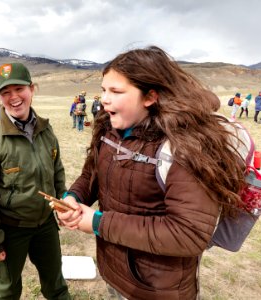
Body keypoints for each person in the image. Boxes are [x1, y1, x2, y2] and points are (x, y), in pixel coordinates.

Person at [56, 46, 246, 299]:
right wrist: (74, 198)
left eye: (116, 91)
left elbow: (189, 233)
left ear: (150, 97)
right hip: (114, 271)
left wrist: (98, 222)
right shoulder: (109, 126)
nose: (104, 99)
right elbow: (92, 173)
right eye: (104, 90)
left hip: (157, 288)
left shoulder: (186, 145)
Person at [0, 62, 71, 300]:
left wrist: (63, 203)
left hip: (45, 225)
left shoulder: (46, 130)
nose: (14, 97)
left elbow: (57, 170)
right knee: (7, 290)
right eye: (6, 92)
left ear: (32, 89)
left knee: (56, 285)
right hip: (10, 229)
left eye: (19, 89)